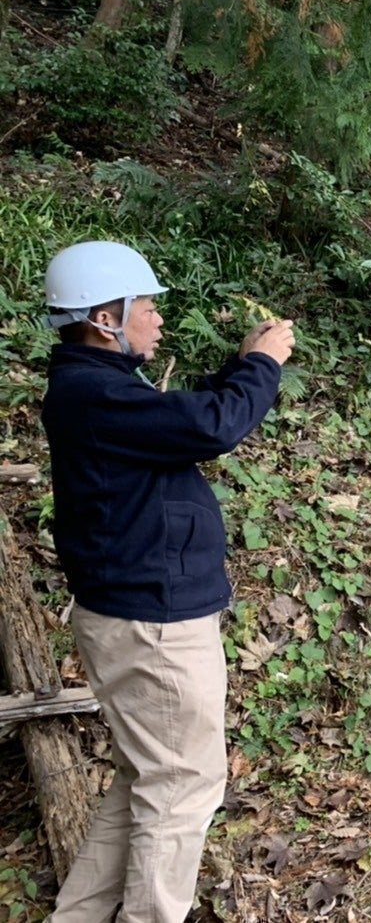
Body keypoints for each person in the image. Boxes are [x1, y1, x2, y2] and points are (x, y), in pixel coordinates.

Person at [41, 240, 295, 922]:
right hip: (152, 622)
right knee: (183, 786)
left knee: (147, 781)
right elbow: (212, 424)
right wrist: (264, 366)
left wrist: (244, 366)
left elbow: (182, 422)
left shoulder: (96, 387)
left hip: (139, 611)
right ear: (105, 317)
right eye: (146, 305)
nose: (156, 318)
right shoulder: (94, 393)